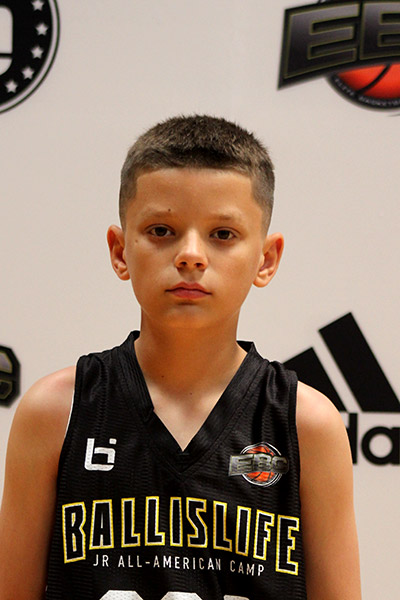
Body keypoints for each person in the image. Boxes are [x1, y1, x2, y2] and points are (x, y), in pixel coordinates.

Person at [0, 115, 361, 600]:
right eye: (162, 229)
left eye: (223, 234)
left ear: (267, 259)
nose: (191, 255)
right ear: (120, 250)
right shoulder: (56, 412)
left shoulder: (306, 424)